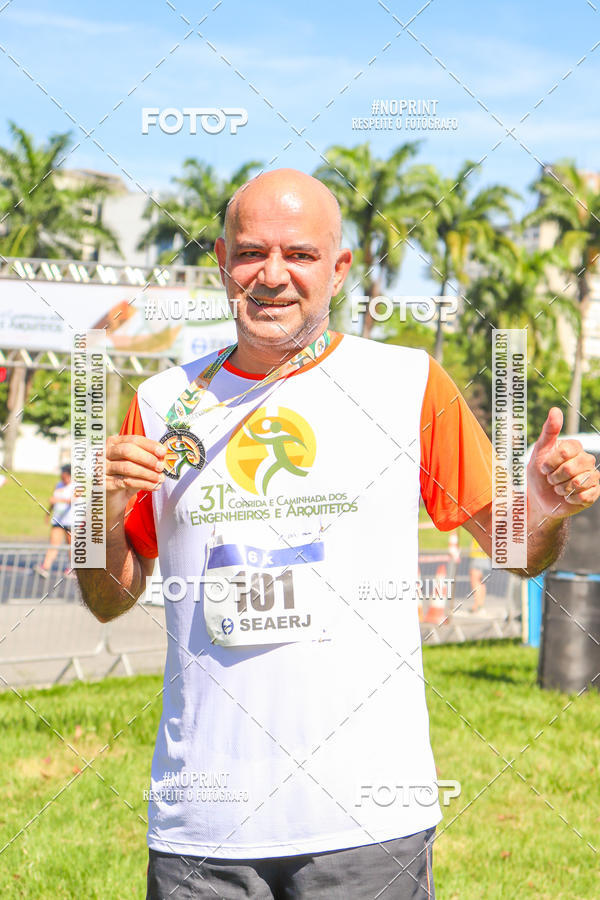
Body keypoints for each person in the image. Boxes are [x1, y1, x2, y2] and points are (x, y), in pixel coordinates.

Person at [77, 169, 600, 899]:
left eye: (300, 255)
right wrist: (98, 514)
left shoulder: (408, 383)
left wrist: (542, 512)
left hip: (365, 823)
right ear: (223, 262)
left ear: (339, 269)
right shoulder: (161, 402)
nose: (272, 275)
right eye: (252, 252)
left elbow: (516, 554)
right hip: (203, 830)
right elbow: (107, 600)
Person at [34, 463, 73, 578]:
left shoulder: (76, 486)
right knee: (54, 544)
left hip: (71, 521)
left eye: (65, 476)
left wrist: (58, 500)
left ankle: (72, 568)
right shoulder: (58, 485)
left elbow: (74, 499)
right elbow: (52, 501)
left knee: (71, 545)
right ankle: (45, 567)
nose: (63, 478)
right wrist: (48, 513)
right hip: (58, 520)